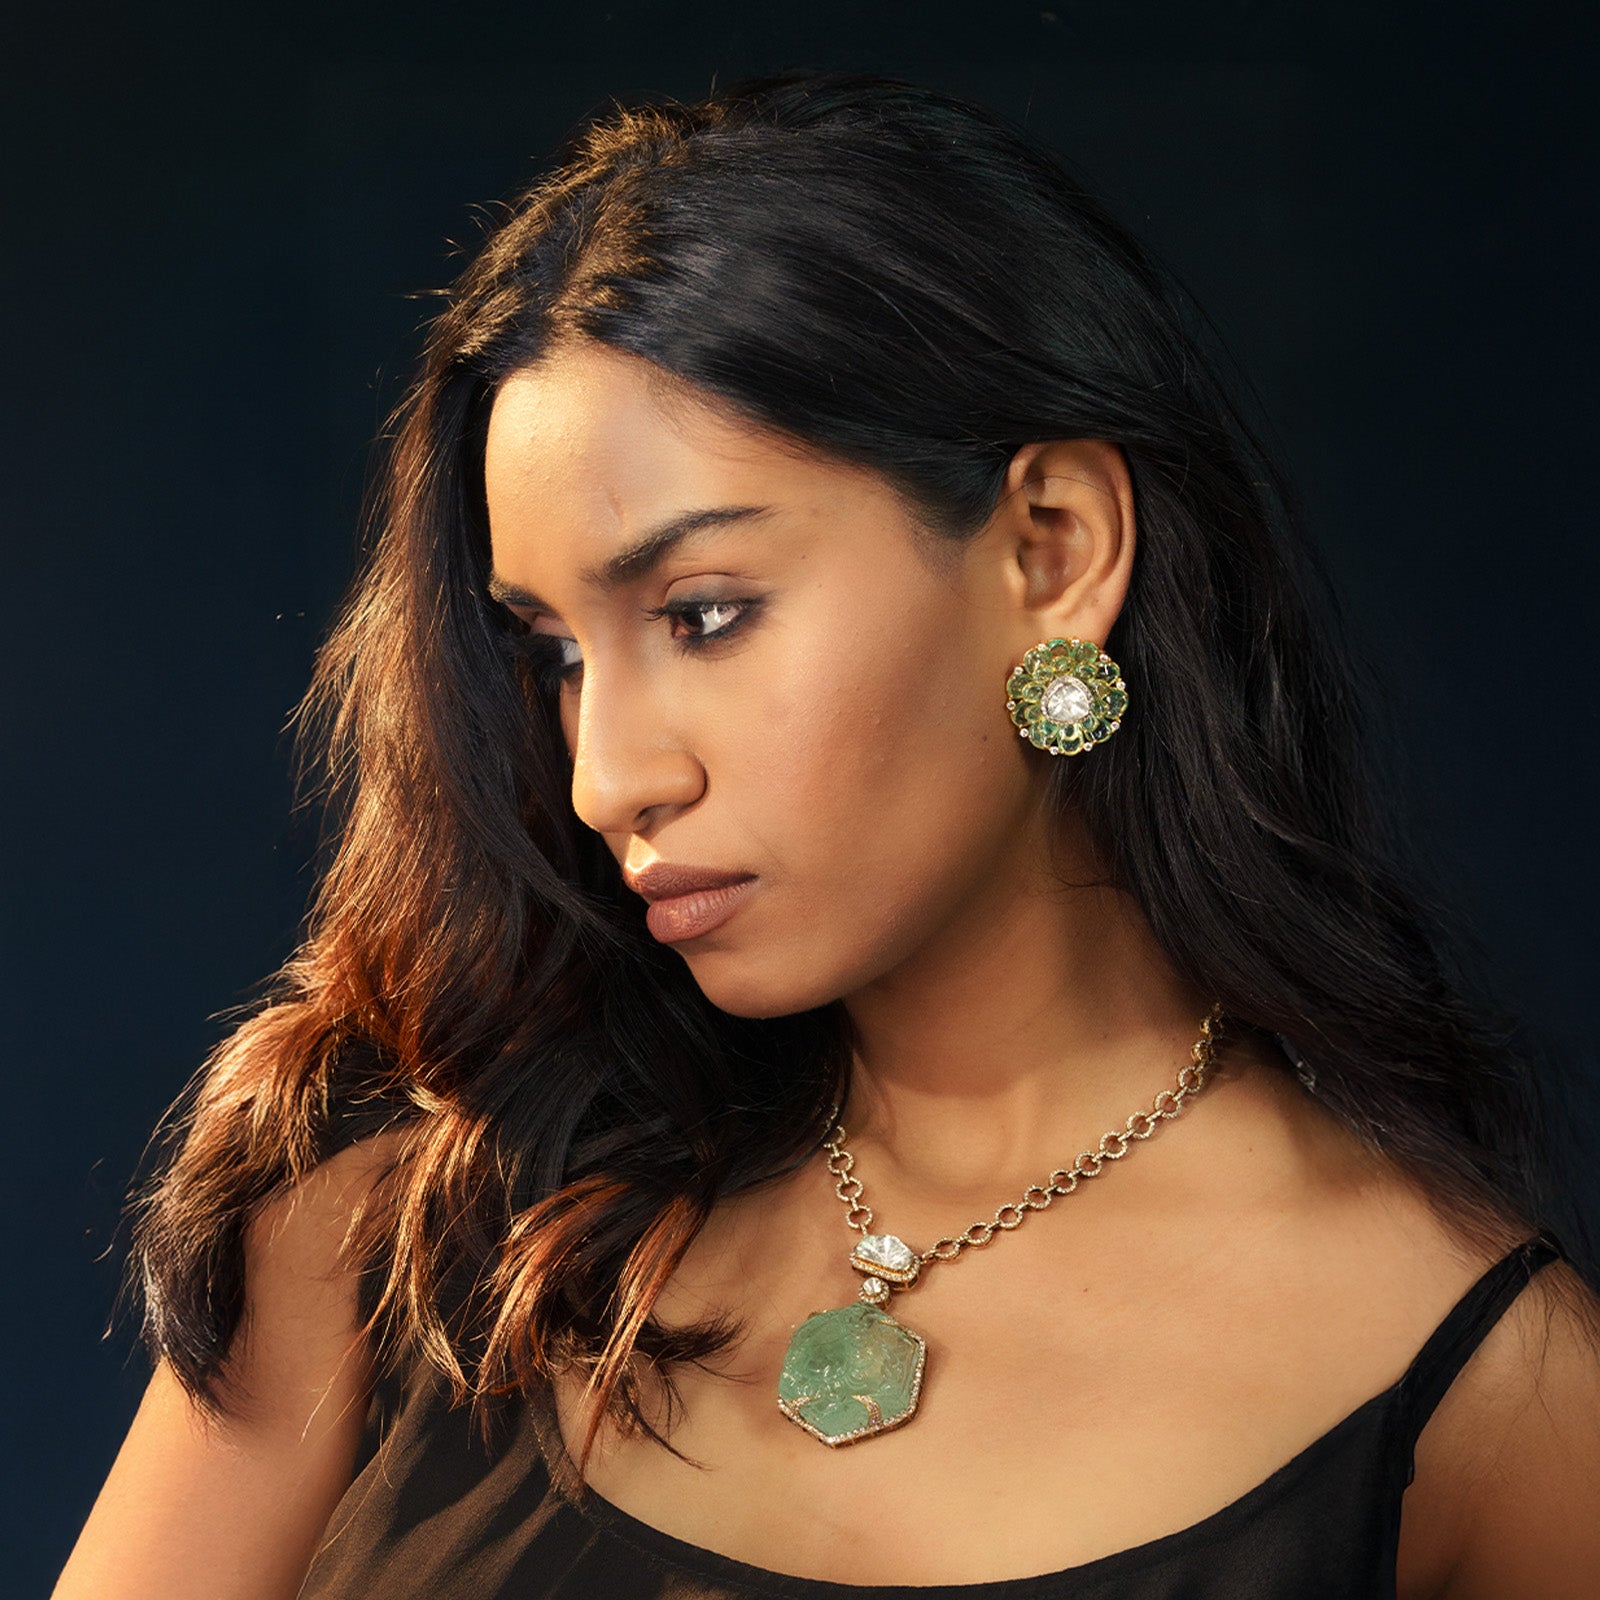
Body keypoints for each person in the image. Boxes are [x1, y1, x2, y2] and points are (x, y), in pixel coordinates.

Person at [53, 68, 1600, 1600]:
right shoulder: (396, 1234)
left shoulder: (1472, 1385)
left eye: (706, 614)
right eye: (555, 656)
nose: (605, 779)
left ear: (1053, 551)